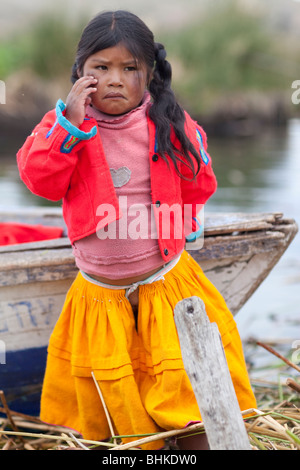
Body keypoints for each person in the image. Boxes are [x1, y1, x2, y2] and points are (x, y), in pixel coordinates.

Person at [17, 10, 256, 450]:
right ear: (79, 74)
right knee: (116, 422)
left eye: (130, 69)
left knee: (187, 407)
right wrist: (68, 126)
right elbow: (40, 181)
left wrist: (180, 210)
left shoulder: (166, 122)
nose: (114, 80)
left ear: (149, 76)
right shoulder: (65, 128)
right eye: (101, 68)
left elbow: (200, 185)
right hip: (99, 299)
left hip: (165, 288)